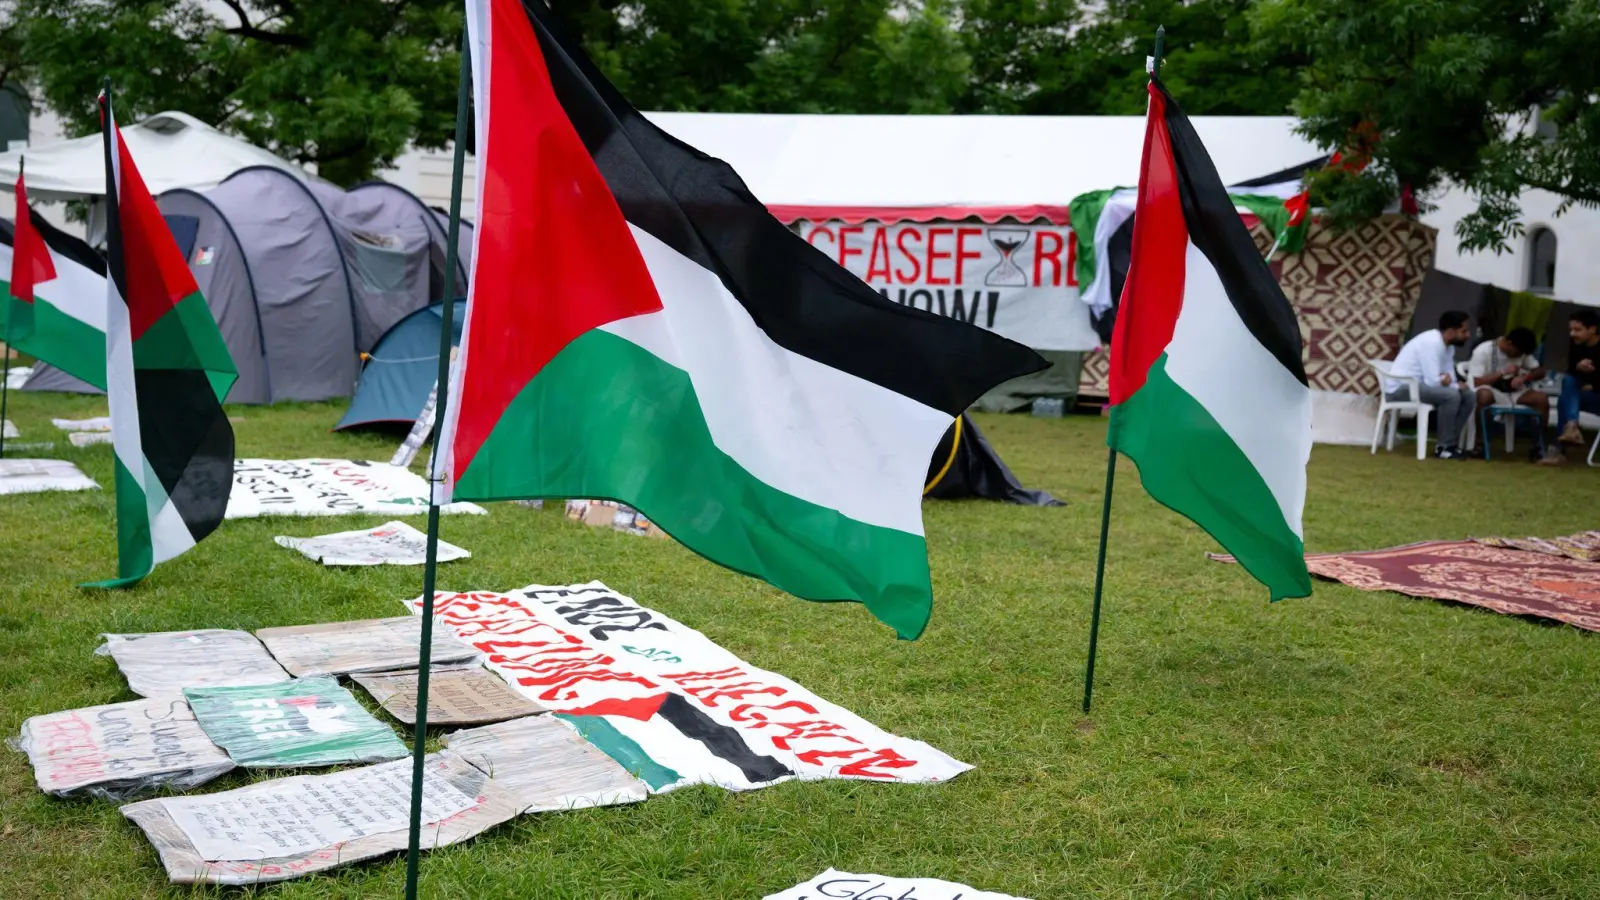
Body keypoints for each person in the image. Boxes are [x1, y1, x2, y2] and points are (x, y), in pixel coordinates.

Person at [1385, 310, 1474, 459]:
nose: (1468, 335)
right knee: (1451, 395)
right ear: (1451, 331)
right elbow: (1433, 381)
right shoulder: (1431, 343)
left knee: (1469, 395)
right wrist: (1453, 385)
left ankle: (1450, 444)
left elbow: (1448, 377)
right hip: (1401, 388)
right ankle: (1443, 448)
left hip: (1419, 387)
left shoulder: (1448, 347)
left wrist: (1452, 384)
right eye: (1464, 331)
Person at [1467, 327, 1551, 461]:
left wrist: (1525, 377)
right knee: (1484, 395)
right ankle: (1480, 446)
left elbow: (1540, 371)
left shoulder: (1522, 352)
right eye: (1517, 352)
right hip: (1491, 389)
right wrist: (1502, 372)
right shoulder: (1484, 350)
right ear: (1509, 343)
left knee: (1541, 399)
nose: (1519, 356)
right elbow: (1476, 381)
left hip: (1514, 391)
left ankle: (1538, 447)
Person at [1541, 308, 1600, 465]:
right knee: (1567, 390)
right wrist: (1579, 367)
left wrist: (1593, 381)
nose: (1572, 334)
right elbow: (1573, 373)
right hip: (1587, 395)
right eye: (1571, 329)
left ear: (1593, 329)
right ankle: (1571, 426)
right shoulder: (1577, 345)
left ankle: (1558, 451)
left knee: (1566, 398)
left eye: (1577, 329)